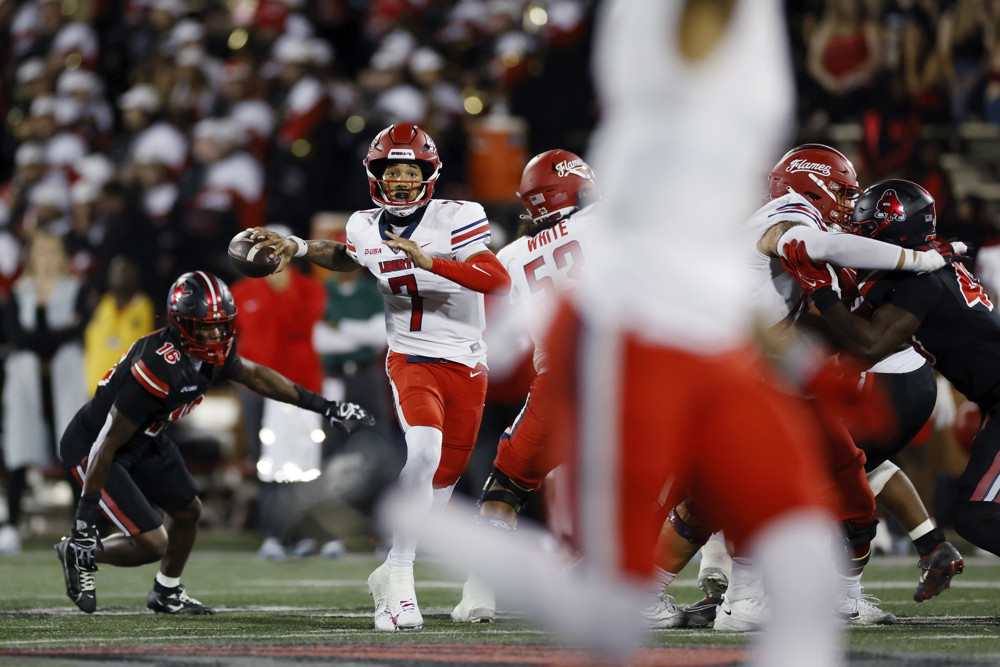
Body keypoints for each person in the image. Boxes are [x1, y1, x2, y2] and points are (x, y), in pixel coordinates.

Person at [249, 122, 511, 631]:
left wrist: (430, 260)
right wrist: (298, 247)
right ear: (375, 175)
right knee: (424, 452)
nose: (401, 180)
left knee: (438, 489)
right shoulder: (364, 225)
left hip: (467, 361)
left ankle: (387, 575)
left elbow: (495, 278)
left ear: (429, 175)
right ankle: (400, 582)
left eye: (411, 170)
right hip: (411, 358)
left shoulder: (459, 216)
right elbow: (350, 258)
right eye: (392, 170)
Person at [55, 270, 374, 614]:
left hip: (146, 436)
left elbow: (257, 377)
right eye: (205, 326)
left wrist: (325, 406)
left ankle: (166, 592)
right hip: (98, 447)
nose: (216, 334)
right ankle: (80, 549)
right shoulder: (158, 365)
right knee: (152, 544)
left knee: (188, 511)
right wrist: (84, 523)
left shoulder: (212, 355)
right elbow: (106, 443)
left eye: (221, 325)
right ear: (181, 324)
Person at [781, 178, 1000, 564]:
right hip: (991, 401)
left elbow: (867, 345)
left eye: (866, 225)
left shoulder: (921, 280)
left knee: (978, 518)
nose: (857, 231)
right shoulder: (924, 263)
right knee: (975, 515)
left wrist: (820, 289)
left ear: (891, 223)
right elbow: (854, 334)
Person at [451, 148, 599, 623]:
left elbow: (501, 332)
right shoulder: (606, 222)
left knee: (505, 487)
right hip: (621, 375)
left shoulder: (512, 255)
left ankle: (478, 592)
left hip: (555, 382)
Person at [1, 230, 89, 556]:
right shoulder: (19, 292)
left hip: (65, 379)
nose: (47, 259)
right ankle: (11, 525)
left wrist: (54, 336)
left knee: (72, 452)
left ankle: (81, 526)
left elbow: (78, 331)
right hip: (26, 383)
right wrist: (59, 333)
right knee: (19, 452)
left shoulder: (76, 289)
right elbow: (17, 336)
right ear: (31, 257)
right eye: (41, 252)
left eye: (53, 252)